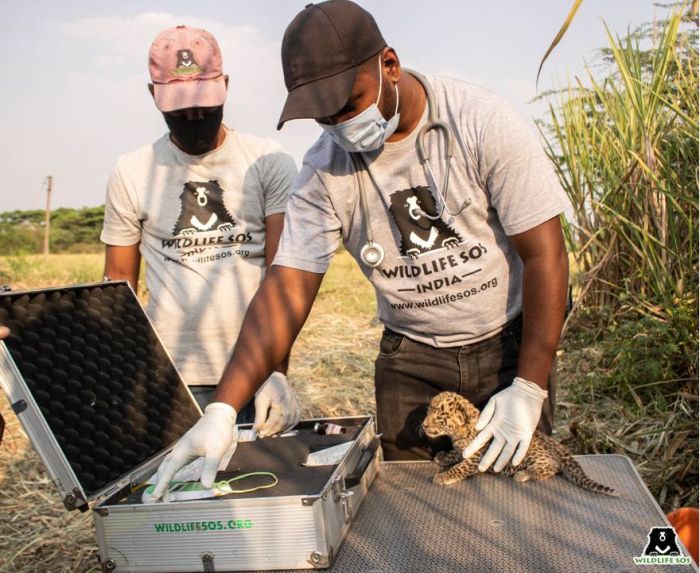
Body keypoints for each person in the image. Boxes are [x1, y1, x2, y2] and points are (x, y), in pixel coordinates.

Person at [153, 0, 569, 499]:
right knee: (418, 504)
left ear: (388, 65)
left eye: (349, 104)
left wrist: (529, 385)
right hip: (411, 359)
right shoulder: (325, 171)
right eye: (323, 116)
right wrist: (223, 408)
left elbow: (545, 254)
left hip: (509, 344)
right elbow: (286, 287)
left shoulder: (479, 121)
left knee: (524, 495)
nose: (339, 125)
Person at [100, 25, 301, 437]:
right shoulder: (132, 171)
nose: (193, 116)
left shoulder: (268, 162)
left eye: (204, 105)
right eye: (179, 108)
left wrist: (276, 372)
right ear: (152, 95)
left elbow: (284, 278)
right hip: (167, 381)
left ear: (225, 85)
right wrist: (123, 382)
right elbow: (118, 288)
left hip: (253, 368)